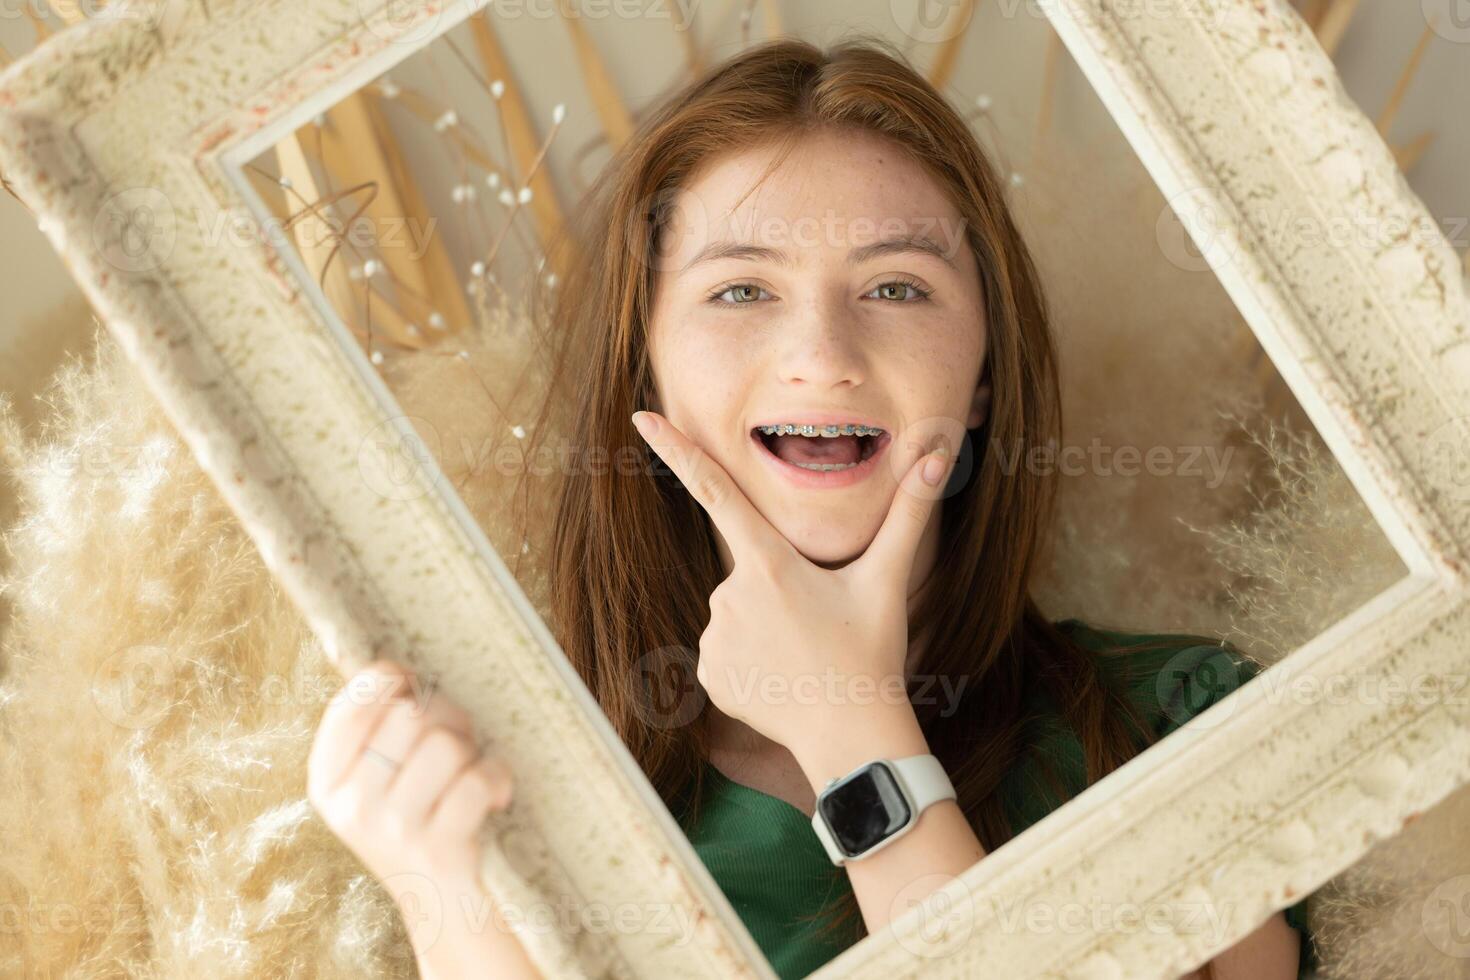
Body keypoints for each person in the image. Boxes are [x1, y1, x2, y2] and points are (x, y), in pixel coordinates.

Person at [308, 34, 1316, 980]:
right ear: (646, 376)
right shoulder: (510, 798)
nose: (824, 356)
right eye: (742, 291)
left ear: (982, 382)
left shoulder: (1182, 725)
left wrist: (854, 731)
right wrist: (454, 897)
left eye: (896, 287)